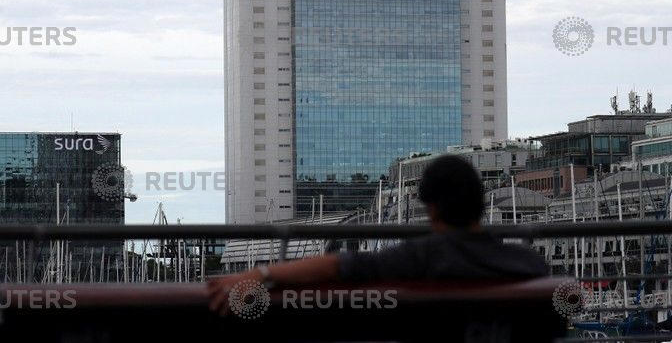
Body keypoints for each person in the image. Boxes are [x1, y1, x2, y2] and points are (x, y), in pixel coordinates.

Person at [208, 155, 548, 315]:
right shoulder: (530, 264)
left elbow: (338, 265)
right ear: (480, 203)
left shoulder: (419, 257)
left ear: (431, 207)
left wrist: (261, 273)